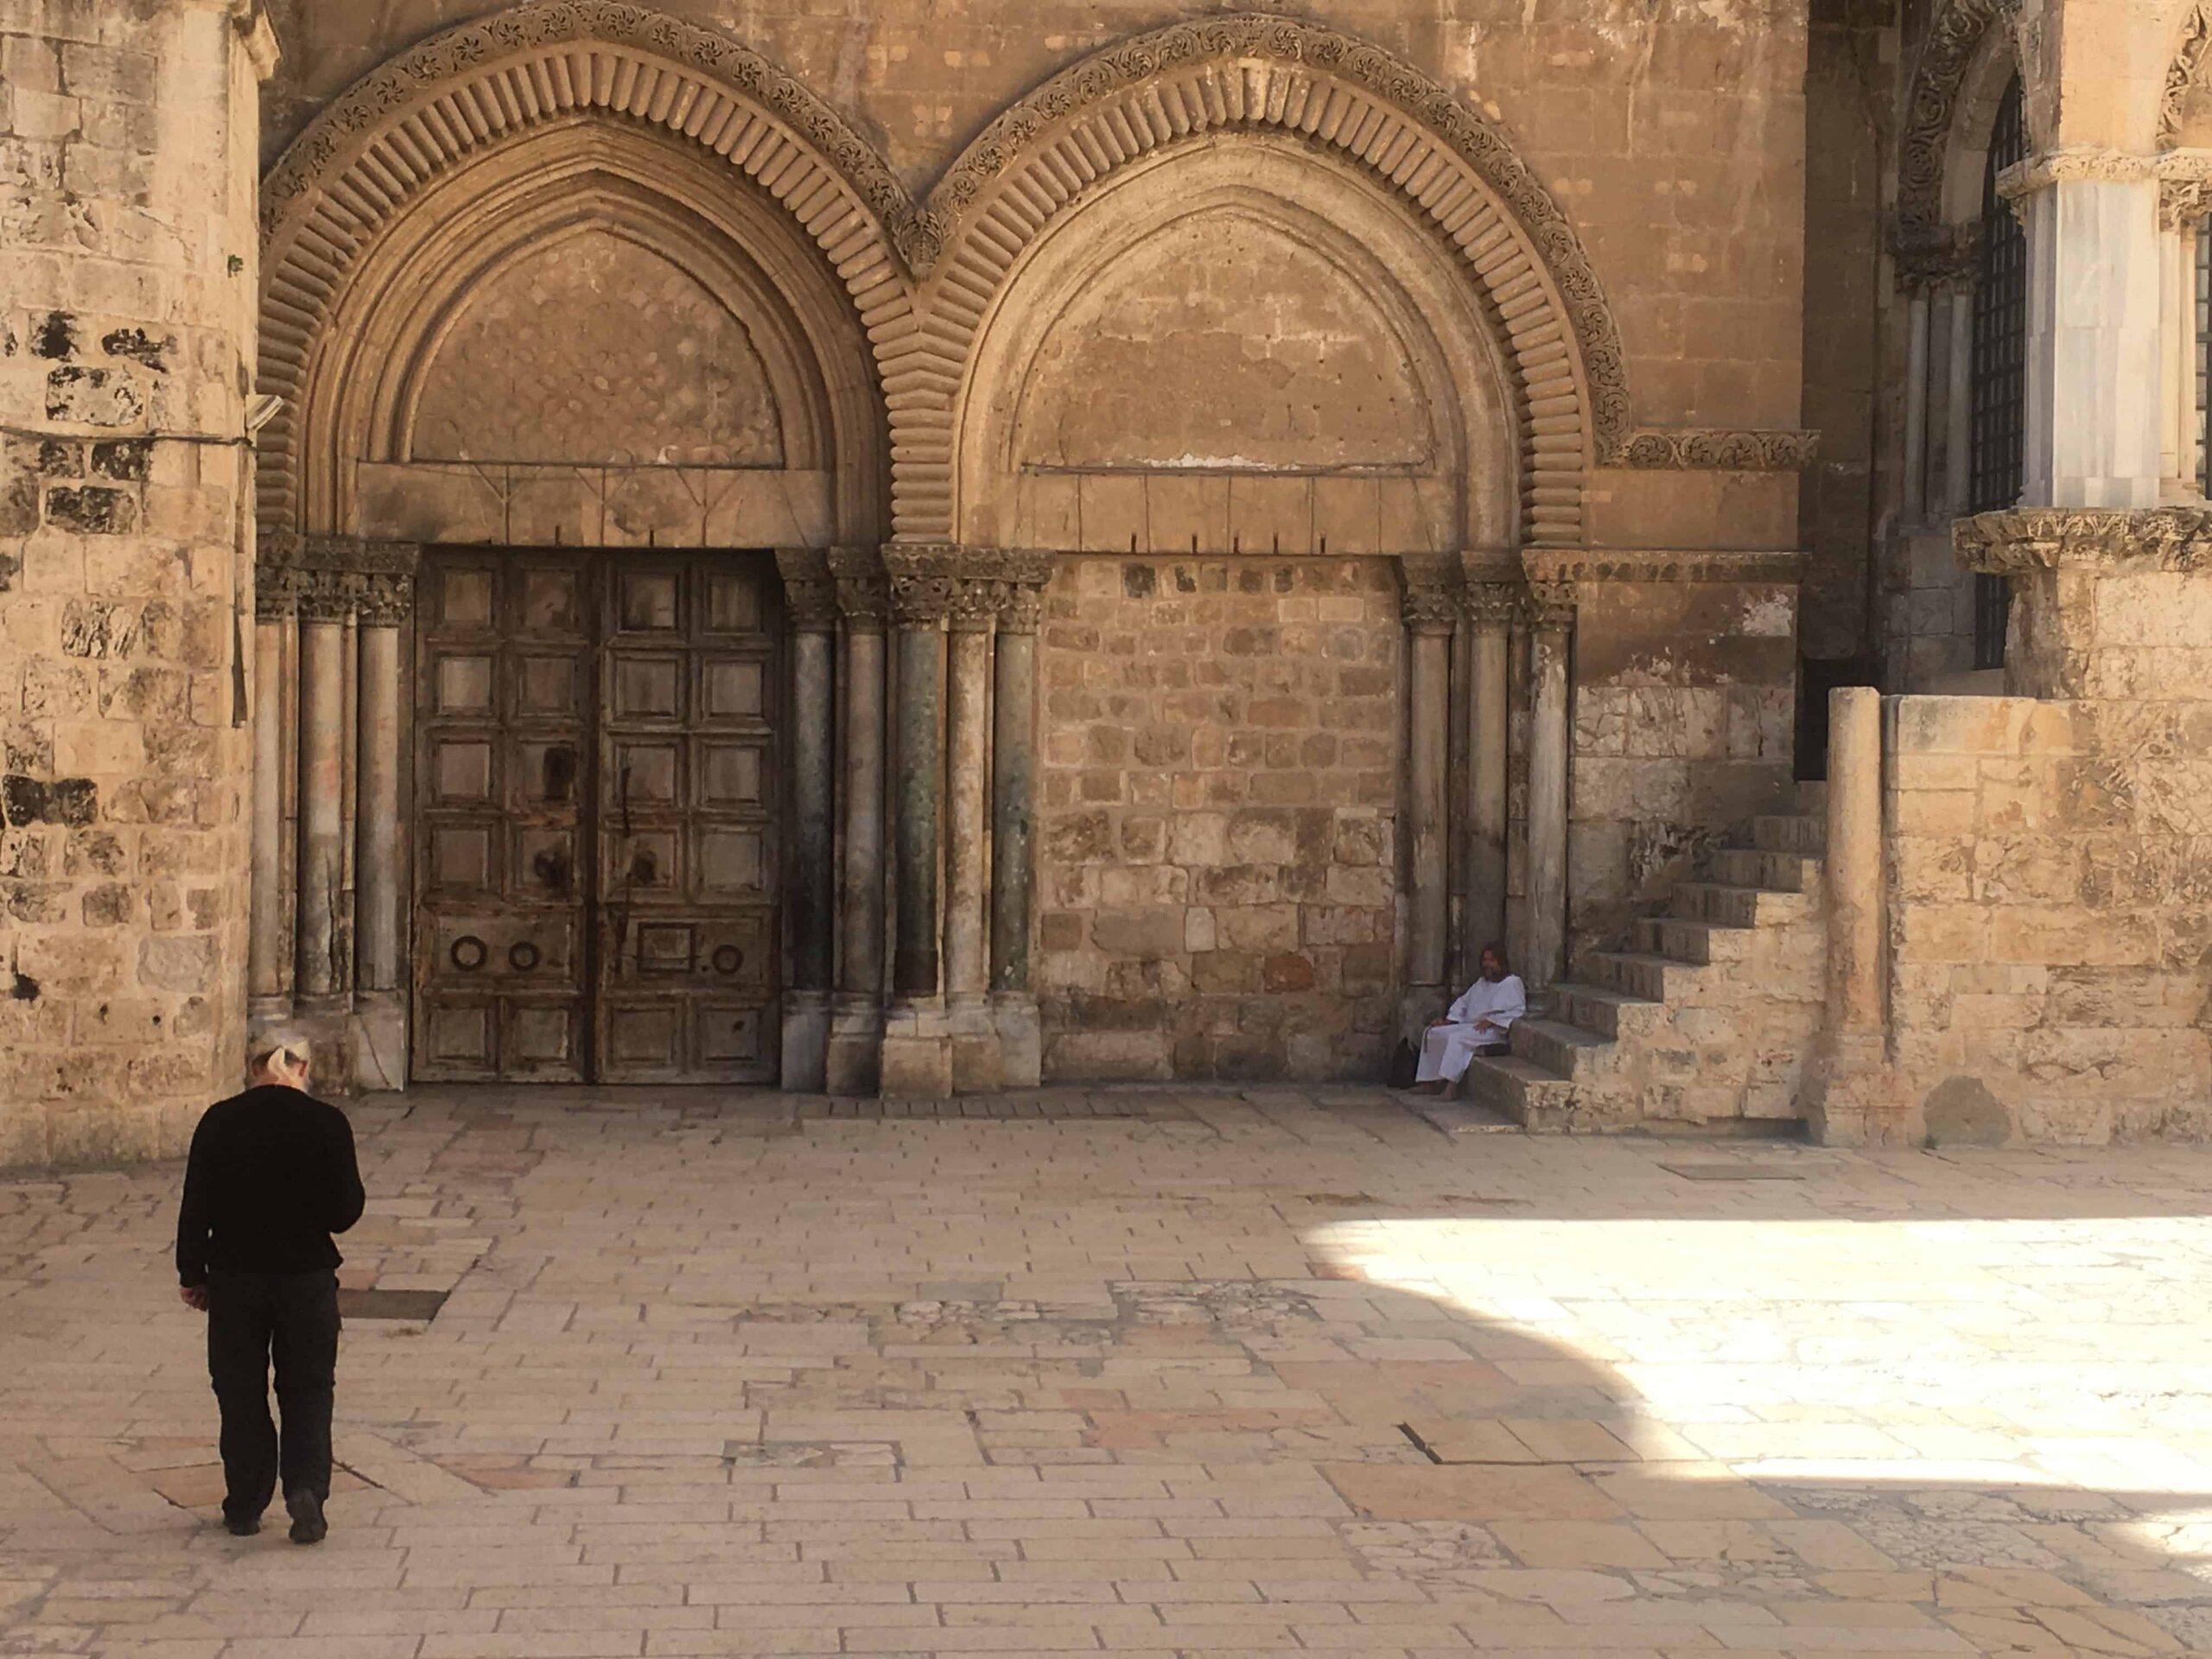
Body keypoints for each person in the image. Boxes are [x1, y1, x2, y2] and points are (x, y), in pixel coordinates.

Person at [175, 1040, 364, 1543]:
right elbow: (346, 1211)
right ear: (303, 1066)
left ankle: (245, 1502)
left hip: (237, 1277)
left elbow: (196, 1203)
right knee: (307, 1388)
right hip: (306, 1277)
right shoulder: (327, 1123)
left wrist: (191, 1272)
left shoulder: (220, 1120)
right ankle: (305, 1488)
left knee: (239, 1390)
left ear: (253, 1065)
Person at [1411, 943, 1526, 1095]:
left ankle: (1451, 1088)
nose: (1487, 964)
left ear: (1500, 962)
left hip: (1493, 1030)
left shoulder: (1512, 983)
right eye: (1485, 960)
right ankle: (1429, 1083)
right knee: (1434, 1033)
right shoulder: (1481, 983)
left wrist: (1493, 1020)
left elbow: (1518, 1010)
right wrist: (1449, 1020)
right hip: (1471, 1026)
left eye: (1491, 960)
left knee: (1457, 1039)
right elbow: (1463, 1003)